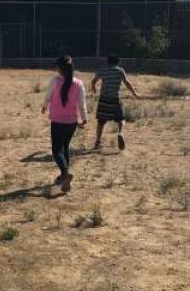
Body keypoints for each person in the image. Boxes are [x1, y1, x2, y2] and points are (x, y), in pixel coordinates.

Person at [41, 55, 88, 192]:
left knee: (56, 150)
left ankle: (65, 174)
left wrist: (44, 106)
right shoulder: (79, 83)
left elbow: (48, 96)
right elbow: (82, 103)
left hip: (57, 120)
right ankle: (64, 175)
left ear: (59, 69)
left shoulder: (55, 81)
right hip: (72, 121)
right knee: (65, 146)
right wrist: (84, 118)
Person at [90, 54, 140, 151]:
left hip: (104, 99)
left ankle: (97, 142)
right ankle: (120, 132)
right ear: (118, 63)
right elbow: (127, 83)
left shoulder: (102, 70)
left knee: (101, 121)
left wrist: (94, 89)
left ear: (107, 62)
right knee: (121, 118)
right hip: (115, 99)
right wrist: (134, 93)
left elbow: (93, 81)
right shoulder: (120, 71)